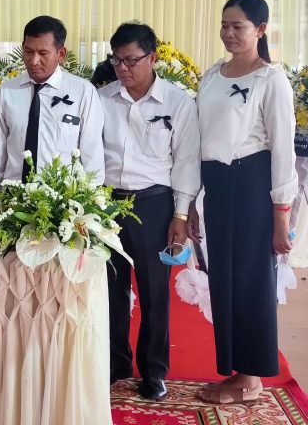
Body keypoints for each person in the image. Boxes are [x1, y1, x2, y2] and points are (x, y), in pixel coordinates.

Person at [190, 0, 296, 404]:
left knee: (251, 283)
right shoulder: (212, 76)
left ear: (261, 29)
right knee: (225, 282)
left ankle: (251, 379)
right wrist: (194, 200)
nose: (229, 33)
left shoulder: (270, 79)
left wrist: (281, 217)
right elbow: (201, 140)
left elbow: (283, 150)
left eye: (238, 26)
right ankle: (237, 371)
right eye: (224, 25)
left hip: (251, 186)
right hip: (217, 187)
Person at [99, 22, 201, 401]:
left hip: (154, 204)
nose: (123, 69)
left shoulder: (178, 103)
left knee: (155, 293)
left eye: (131, 61)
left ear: (153, 58)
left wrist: (180, 215)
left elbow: (187, 161)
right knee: (110, 290)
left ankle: (154, 371)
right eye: (116, 61)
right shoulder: (101, 99)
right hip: (107, 204)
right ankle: (115, 364)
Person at [0, 15, 105, 189]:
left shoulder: (83, 92)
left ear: (61, 54)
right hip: (12, 195)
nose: (34, 61)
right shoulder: (7, 92)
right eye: (28, 51)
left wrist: (90, 196)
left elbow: (92, 153)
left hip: (62, 199)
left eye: (43, 53)